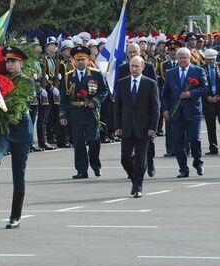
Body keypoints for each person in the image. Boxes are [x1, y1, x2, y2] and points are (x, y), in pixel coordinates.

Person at [0, 46, 34, 229]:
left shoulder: (27, 81)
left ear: (21, 63)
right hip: (5, 125)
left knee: (18, 174)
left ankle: (15, 216)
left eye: (13, 61)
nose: (9, 65)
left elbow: (20, 101)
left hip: (21, 128)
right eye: (8, 61)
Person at [60, 45, 108, 179]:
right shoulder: (68, 77)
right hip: (75, 113)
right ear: (73, 61)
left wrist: (96, 102)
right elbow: (64, 98)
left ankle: (95, 164)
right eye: (78, 59)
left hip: (91, 113)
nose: (81, 62)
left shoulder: (95, 73)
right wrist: (63, 115)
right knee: (79, 143)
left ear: (87, 60)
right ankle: (82, 170)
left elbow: (104, 90)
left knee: (93, 141)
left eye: (83, 59)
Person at [114, 56, 159, 198]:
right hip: (127, 127)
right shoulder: (122, 83)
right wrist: (117, 126)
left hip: (144, 128)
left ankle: (138, 186)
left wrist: (153, 127)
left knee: (141, 159)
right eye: (131, 66)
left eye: (136, 66)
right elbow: (117, 107)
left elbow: (155, 108)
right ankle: (135, 179)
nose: (133, 69)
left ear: (143, 67)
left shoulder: (150, 83)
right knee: (125, 158)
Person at [161, 47, 208, 178]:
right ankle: (183, 168)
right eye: (180, 57)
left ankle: (198, 162)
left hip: (193, 111)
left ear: (189, 58)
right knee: (178, 142)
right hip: (176, 113)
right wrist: (165, 110)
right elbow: (165, 94)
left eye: (184, 57)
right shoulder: (170, 73)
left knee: (194, 139)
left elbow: (204, 88)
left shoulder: (198, 71)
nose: (182, 59)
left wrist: (191, 93)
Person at [201, 49, 220, 155]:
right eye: (209, 60)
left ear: (216, 58)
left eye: (213, 59)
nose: (211, 62)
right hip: (208, 101)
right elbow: (200, 85)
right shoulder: (202, 69)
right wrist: (207, 96)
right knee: (210, 125)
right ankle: (213, 147)